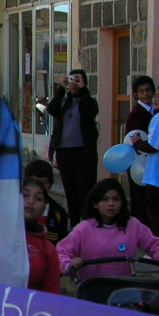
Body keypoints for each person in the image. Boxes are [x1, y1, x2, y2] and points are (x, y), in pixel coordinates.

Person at [57, 177, 159, 281]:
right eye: (105, 200)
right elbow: (61, 252)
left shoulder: (133, 224)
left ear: (122, 202)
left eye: (116, 199)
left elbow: (154, 245)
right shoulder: (84, 229)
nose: (111, 204)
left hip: (123, 289)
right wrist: (68, 264)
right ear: (95, 204)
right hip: (91, 290)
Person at [48, 69, 100, 227]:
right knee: (70, 190)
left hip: (83, 152)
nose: (74, 84)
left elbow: (91, 111)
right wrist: (61, 88)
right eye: (72, 80)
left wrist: (83, 89)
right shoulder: (63, 101)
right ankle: (74, 222)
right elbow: (52, 109)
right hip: (64, 152)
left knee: (84, 190)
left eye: (78, 80)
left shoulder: (86, 101)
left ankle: (87, 223)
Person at [132, 85, 159, 245]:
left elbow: (153, 146)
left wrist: (137, 142)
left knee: (157, 214)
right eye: (155, 95)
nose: (155, 99)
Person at [124, 76, 156, 226]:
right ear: (136, 94)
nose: (146, 94)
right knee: (139, 198)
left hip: (151, 160)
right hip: (139, 160)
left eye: (148, 90)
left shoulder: (156, 111)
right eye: (141, 91)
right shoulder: (136, 114)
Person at [21, 178, 61, 293]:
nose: (31, 201)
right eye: (25, 195)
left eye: (38, 198)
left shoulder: (48, 250)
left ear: (44, 206)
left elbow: (51, 295)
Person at [23, 159, 69, 243]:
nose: (39, 187)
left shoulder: (58, 213)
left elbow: (62, 245)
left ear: (50, 185)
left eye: (43, 183)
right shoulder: (14, 207)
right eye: (34, 182)